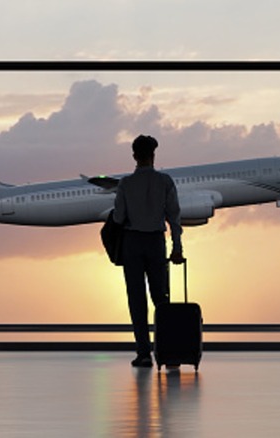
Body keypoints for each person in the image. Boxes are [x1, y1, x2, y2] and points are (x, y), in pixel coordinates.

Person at [113, 135, 185, 367]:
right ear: (153, 155)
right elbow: (174, 218)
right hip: (156, 242)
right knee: (161, 298)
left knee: (136, 299)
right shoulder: (165, 181)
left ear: (134, 156)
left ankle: (143, 353)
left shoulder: (125, 184)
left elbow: (118, 217)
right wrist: (176, 248)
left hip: (132, 243)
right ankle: (170, 350)